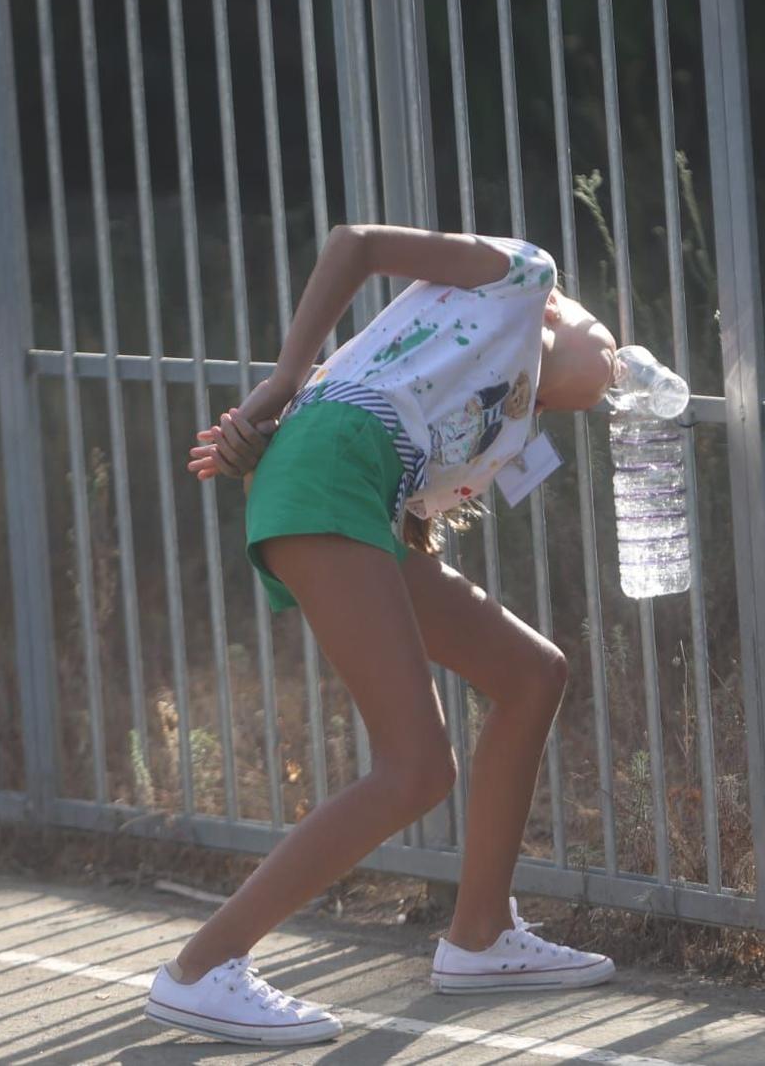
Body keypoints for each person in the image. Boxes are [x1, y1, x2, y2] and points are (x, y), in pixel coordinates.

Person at [144, 225, 621, 1047]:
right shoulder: (519, 273)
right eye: (608, 353)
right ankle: (201, 969)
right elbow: (354, 243)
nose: (606, 375)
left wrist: (264, 442)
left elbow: (406, 494)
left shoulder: (507, 407)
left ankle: (479, 935)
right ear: (558, 315)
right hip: (335, 472)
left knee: (531, 673)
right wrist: (286, 380)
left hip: (350, 489)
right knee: (416, 767)